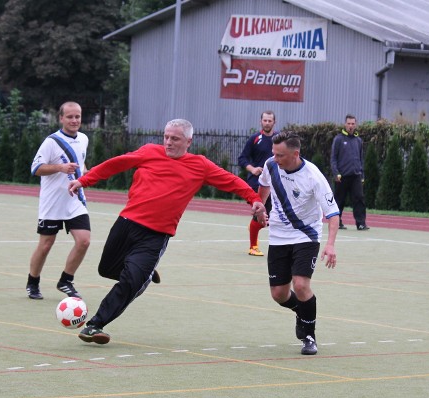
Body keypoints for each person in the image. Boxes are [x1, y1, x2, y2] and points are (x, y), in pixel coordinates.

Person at [68, 119, 266, 345]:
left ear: (188, 142)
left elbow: (232, 181)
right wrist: (84, 180)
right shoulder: (149, 152)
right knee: (106, 269)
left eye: (175, 139)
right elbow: (116, 164)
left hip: (155, 235)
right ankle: (146, 274)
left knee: (130, 282)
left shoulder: (200, 165)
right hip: (126, 224)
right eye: (166, 137)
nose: (168, 142)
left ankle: (95, 325)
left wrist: (255, 200)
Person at [258, 132, 340, 355]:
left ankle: (309, 336)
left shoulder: (313, 176)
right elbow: (264, 185)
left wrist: (330, 245)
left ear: (296, 154)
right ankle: (300, 311)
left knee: (301, 285)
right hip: (278, 236)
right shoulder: (270, 164)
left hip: (307, 235)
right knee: (279, 294)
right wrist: (259, 206)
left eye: (280, 155)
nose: (275, 158)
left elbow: (333, 214)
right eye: (274, 153)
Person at [26, 101, 90, 300]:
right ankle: (32, 282)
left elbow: (80, 163)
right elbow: (35, 168)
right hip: (52, 203)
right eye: (69, 117)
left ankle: (66, 280)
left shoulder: (84, 139)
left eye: (77, 116)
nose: (74, 120)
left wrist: (85, 174)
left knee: (84, 241)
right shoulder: (51, 142)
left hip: (75, 201)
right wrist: (60, 168)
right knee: (46, 244)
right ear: (61, 118)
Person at [237, 110, 277, 256]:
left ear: (274, 122)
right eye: (264, 120)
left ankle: (253, 226)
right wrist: (252, 169)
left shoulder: (278, 139)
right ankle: (253, 247)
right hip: (257, 184)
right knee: (261, 214)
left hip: (275, 184)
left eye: (270, 121)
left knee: (272, 218)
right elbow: (242, 159)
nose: (267, 123)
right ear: (261, 122)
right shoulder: (255, 138)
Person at [330, 114, 370, 230]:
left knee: (359, 198)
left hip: (356, 175)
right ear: (345, 124)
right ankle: (337, 222)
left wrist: (362, 175)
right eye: (349, 124)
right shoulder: (338, 139)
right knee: (339, 201)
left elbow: (361, 159)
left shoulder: (358, 140)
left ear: (356, 125)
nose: (351, 126)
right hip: (341, 176)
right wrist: (336, 172)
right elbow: (333, 158)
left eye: (353, 124)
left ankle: (361, 223)